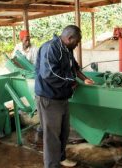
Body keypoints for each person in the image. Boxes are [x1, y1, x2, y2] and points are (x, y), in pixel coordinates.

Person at [35, 25, 94, 168]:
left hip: (62, 97)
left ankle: (60, 158)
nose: (78, 44)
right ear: (69, 38)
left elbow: (74, 67)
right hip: (49, 99)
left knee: (64, 132)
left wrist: (84, 78)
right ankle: (51, 165)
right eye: (77, 41)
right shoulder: (51, 49)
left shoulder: (67, 49)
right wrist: (72, 82)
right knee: (52, 137)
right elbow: (50, 75)